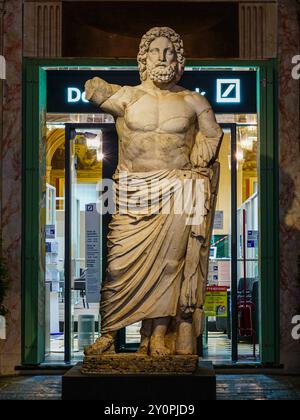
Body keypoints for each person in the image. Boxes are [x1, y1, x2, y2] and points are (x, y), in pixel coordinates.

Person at [84, 27, 223, 357]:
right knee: (118, 266)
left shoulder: (193, 100)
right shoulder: (128, 96)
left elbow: (212, 135)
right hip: (133, 191)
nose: (163, 57)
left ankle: (158, 335)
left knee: (169, 265)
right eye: (155, 52)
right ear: (143, 59)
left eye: (169, 52)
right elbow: (95, 91)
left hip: (177, 189)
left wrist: (202, 153)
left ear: (179, 60)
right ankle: (109, 334)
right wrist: (96, 87)